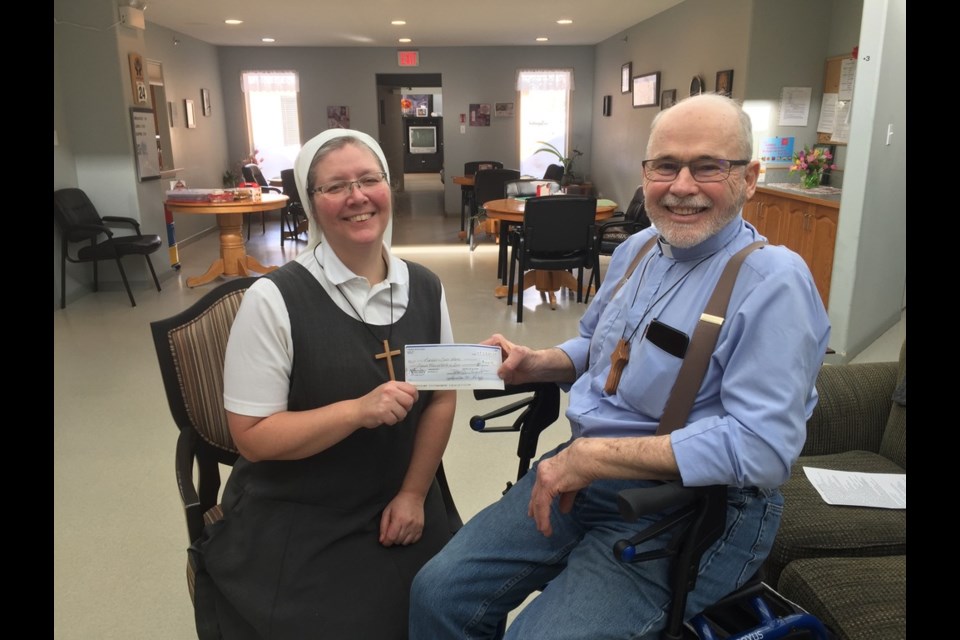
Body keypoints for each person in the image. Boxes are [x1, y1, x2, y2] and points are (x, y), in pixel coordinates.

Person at [409, 94, 831, 639]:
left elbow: (763, 448)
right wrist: (537, 362)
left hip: (695, 509)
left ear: (749, 178)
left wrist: (592, 456)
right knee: (438, 593)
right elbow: (597, 348)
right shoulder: (636, 252)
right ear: (645, 174)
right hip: (586, 475)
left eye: (708, 167)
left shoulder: (774, 283)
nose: (682, 186)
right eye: (666, 166)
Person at [195, 129, 457, 639]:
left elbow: (441, 400)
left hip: (402, 492)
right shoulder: (274, 300)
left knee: (456, 605)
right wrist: (355, 412)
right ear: (311, 203)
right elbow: (251, 434)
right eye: (335, 187)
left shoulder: (425, 285)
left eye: (369, 180)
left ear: (388, 187)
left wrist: (413, 494)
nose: (357, 197)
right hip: (301, 509)